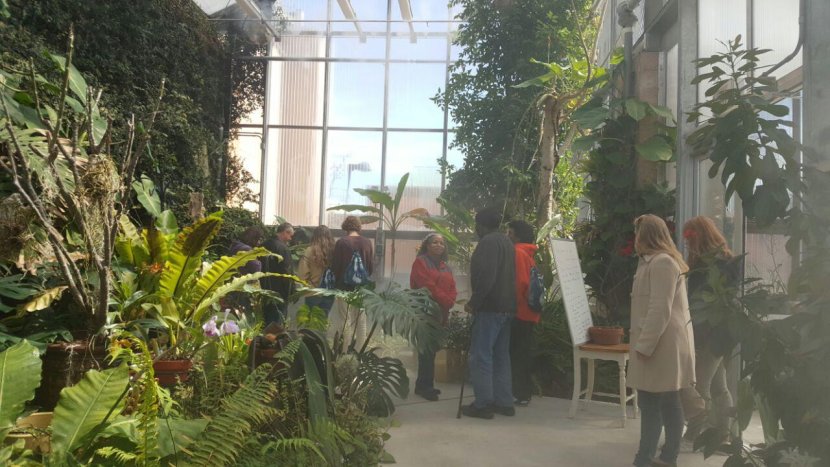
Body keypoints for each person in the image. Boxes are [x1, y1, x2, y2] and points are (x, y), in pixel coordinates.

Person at [628, 214, 695, 467]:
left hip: (661, 345)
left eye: (636, 232)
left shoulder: (662, 263)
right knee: (667, 401)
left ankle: (646, 459)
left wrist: (644, 345)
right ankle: (666, 457)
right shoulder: (653, 262)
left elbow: (660, 309)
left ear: (644, 235)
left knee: (653, 403)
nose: (634, 238)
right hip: (662, 343)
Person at [680, 216, 741, 441]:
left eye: (690, 240)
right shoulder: (729, 260)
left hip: (708, 333)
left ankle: (694, 436)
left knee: (700, 386)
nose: (687, 245)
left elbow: (699, 301)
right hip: (724, 333)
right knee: (719, 386)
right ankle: (724, 433)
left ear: (700, 239)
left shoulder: (705, 265)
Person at [461, 207, 516, 420]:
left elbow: (487, 276)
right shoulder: (506, 242)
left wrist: (474, 302)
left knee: (480, 355)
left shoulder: (488, 242)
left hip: (490, 308)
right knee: (501, 356)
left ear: (480, 225)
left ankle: (483, 404)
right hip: (507, 307)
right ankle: (504, 403)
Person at [410, 233, 457, 401]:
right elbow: (426, 285)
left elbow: (452, 285)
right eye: (434, 242)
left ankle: (425, 384)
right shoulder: (420, 263)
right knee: (426, 349)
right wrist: (446, 300)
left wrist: (450, 300)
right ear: (427, 246)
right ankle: (425, 386)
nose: (439, 245)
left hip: (442, 311)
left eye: (441, 243)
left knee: (433, 348)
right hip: (425, 311)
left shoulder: (445, 266)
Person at [506, 220, 540, 406]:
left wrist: (511, 307)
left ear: (517, 235)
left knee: (517, 354)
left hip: (520, 311)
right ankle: (523, 393)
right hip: (529, 311)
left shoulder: (518, 252)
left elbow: (520, 284)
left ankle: (519, 393)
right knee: (522, 352)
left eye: (510, 233)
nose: (507, 236)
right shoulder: (528, 252)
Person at [330, 216, 374, 349]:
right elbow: (370, 267)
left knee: (345, 319)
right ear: (359, 227)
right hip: (361, 287)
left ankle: (344, 351)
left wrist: (336, 282)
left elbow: (336, 266)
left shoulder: (341, 242)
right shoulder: (367, 242)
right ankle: (360, 351)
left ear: (345, 227)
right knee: (361, 319)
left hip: (344, 287)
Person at [298, 225, 337, 315]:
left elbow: (302, 273)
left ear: (315, 236)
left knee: (311, 321)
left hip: (313, 291)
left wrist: (307, 286)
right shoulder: (334, 250)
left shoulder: (310, 250)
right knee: (322, 320)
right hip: (329, 291)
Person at [262, 222, 295, 326]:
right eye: (290, 235)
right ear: (285, 232)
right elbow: (287, 272)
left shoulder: (264, 245)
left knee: (267, 320)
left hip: (264, 288)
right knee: (277, 322)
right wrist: (291, 291)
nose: (290, 238)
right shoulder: (283, 249)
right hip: (280, 292)